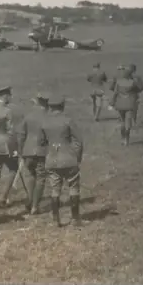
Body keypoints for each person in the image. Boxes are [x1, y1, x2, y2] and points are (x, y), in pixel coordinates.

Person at [37, 96, 84, 228]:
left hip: (52, 159)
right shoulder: (68, 121)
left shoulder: (44, 123)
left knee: (55, 189)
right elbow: (79, 141)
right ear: (62, 106)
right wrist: (77, 156)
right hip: (69, 158)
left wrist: (49, 152)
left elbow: (40, 143)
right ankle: (75, 218)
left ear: (50, 107)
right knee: (74, 187)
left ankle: (55, 219)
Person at [15, 94, 50, 216]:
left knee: (30, 176)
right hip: (41, 151)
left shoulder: (28, 116)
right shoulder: (47, 117)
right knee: (41, 177)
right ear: (46, 103)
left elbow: (21, 135)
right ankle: (35, 206)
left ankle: (30, 201)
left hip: (27, 150)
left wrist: (20, 151)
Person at [110, 65, 143, 145]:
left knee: (122, 121)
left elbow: (115, 93)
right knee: (128, 121)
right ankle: (127, 139)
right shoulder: (133, 82)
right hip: (130, 104)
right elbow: (139, 89)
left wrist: (112, 102)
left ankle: (122, 138)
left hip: (120, 104)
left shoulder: (118, 82)